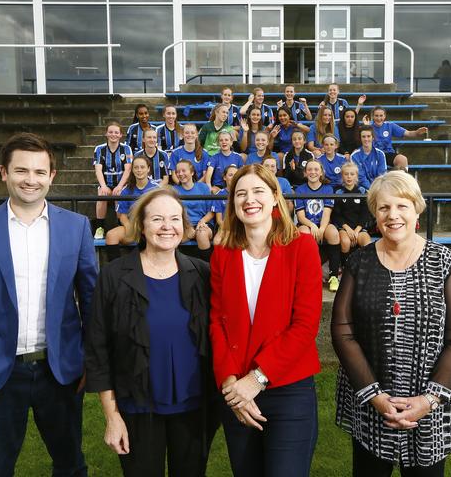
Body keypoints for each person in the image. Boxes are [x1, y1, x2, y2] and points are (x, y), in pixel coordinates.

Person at [0, 132, 98, 477]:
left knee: (71, 464)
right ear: (4, 173)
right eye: (21, 171)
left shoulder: (76, 228)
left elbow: (91, 301)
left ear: (52, 176)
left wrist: (91, 358)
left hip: (60, 372)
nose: (31, 180)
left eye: (40, 172)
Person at [332, 170, 451, 477]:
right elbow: (343, 331)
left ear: (416, 209)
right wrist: (375, 397)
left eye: (401, 206)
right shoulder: (359, 262)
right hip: (372, 405)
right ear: (375, 214)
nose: (392, 215)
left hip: (428, 408)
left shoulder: (442, 261)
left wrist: (429, 399)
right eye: (384, 208)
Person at [86, 187, 215, 477]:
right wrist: (111, 416)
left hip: (194, 408)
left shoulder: (202, 274)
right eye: (157, 219)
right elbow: (98, 349)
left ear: (184, 225)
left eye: (174, 219)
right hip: (136, 408)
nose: (167, 227)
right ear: (142, 226)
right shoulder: (113, 276)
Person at [209, 164, 322, 477]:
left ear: (275, 197)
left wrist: (255, 380)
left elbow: (305, 326)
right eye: (241, 193)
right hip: (238, 392)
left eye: (258, 191)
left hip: (288, 391)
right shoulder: (223, 254)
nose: (249, 199)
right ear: (232, 204)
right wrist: (231, 383)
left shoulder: (302, 246)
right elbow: (218, 322)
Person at [295, 159, 341, 292]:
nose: (313, 172)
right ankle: (308, 277)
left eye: (316, 169)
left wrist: (321, 228)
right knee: (304, 234)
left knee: (333, 233)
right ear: (305, 173)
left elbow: (326, 213)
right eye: (309, 169)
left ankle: (333, 276)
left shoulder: (328, 188)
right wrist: (312, 226)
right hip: (306, 223)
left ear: (321, 172)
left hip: (323, 223)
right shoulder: (300, 190)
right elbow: (301, 216)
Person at [105, 155, 160, 261]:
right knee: (111, 235)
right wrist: (129, 226)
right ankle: (115, 270)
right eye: (136, 167)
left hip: (151, 227)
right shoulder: (126, 190)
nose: (139, 170)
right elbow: (123, 215)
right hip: (133, 226)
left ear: (148, 169)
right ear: (132, 170)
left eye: (142, 167)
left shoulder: (156, 189)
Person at [94, 121, 133, 239]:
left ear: (121, 135)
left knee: (119, 195)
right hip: (106, 183)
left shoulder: (126, 149)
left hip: (121, 184)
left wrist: (120, 186)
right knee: (102, 195)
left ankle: (119, 226)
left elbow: (128, 170)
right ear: (106, 133)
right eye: (110, 132)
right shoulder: (99, 149)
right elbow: (98, 170)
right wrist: (104, 186)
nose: (113, 134)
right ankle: (99, 228)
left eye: (116, 132)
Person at [332, 161, 372, 267]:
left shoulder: (362, 192)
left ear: (356, 176)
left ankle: (363, 269)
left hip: (359, 228)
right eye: (346, 174)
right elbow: (336, 214)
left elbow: (365, 214)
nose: (349, 177)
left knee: (367, 243)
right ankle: (345, 267)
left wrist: (357, 230)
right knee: (345, 242)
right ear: (342, 176)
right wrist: (347, 229)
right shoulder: (338, 192)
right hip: (344, 228)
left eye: (352, 174)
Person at [173, 159, 215, 258]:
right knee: (174, 238)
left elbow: (211, 211)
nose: (180, 174)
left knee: (202, 233)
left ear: (192, 172)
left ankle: (207, 267)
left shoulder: (203, 187)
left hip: (203, 222)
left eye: (183, 170)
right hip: (184, 225)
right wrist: (187, 227)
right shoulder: (174, 190)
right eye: (178, 171)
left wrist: (202, 221)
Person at [212, 164, 239, 245]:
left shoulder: (243, 192)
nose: (234, 177)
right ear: (224, 177)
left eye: (236, 175)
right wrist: (229, 229)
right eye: (230, 175)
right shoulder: (220, 194)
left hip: (241, 225)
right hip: (225, 226)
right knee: (217, 241)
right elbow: (219, 220)